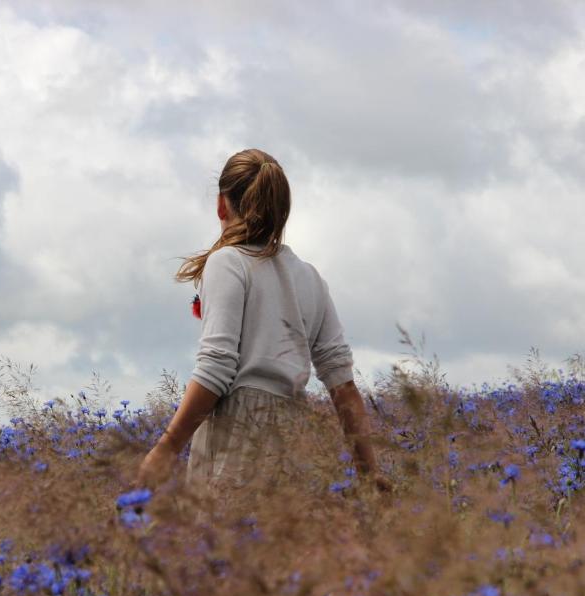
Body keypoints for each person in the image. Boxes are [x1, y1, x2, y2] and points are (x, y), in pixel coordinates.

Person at [136, 148, 393, 498]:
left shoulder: (228, 263)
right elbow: (343, 386)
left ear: (221, 205)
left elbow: (216, 367)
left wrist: (165, 449)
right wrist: (370, 472)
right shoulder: (310, 278)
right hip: (295, 438)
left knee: (223, 547)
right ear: (281, 211)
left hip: (237, 435)